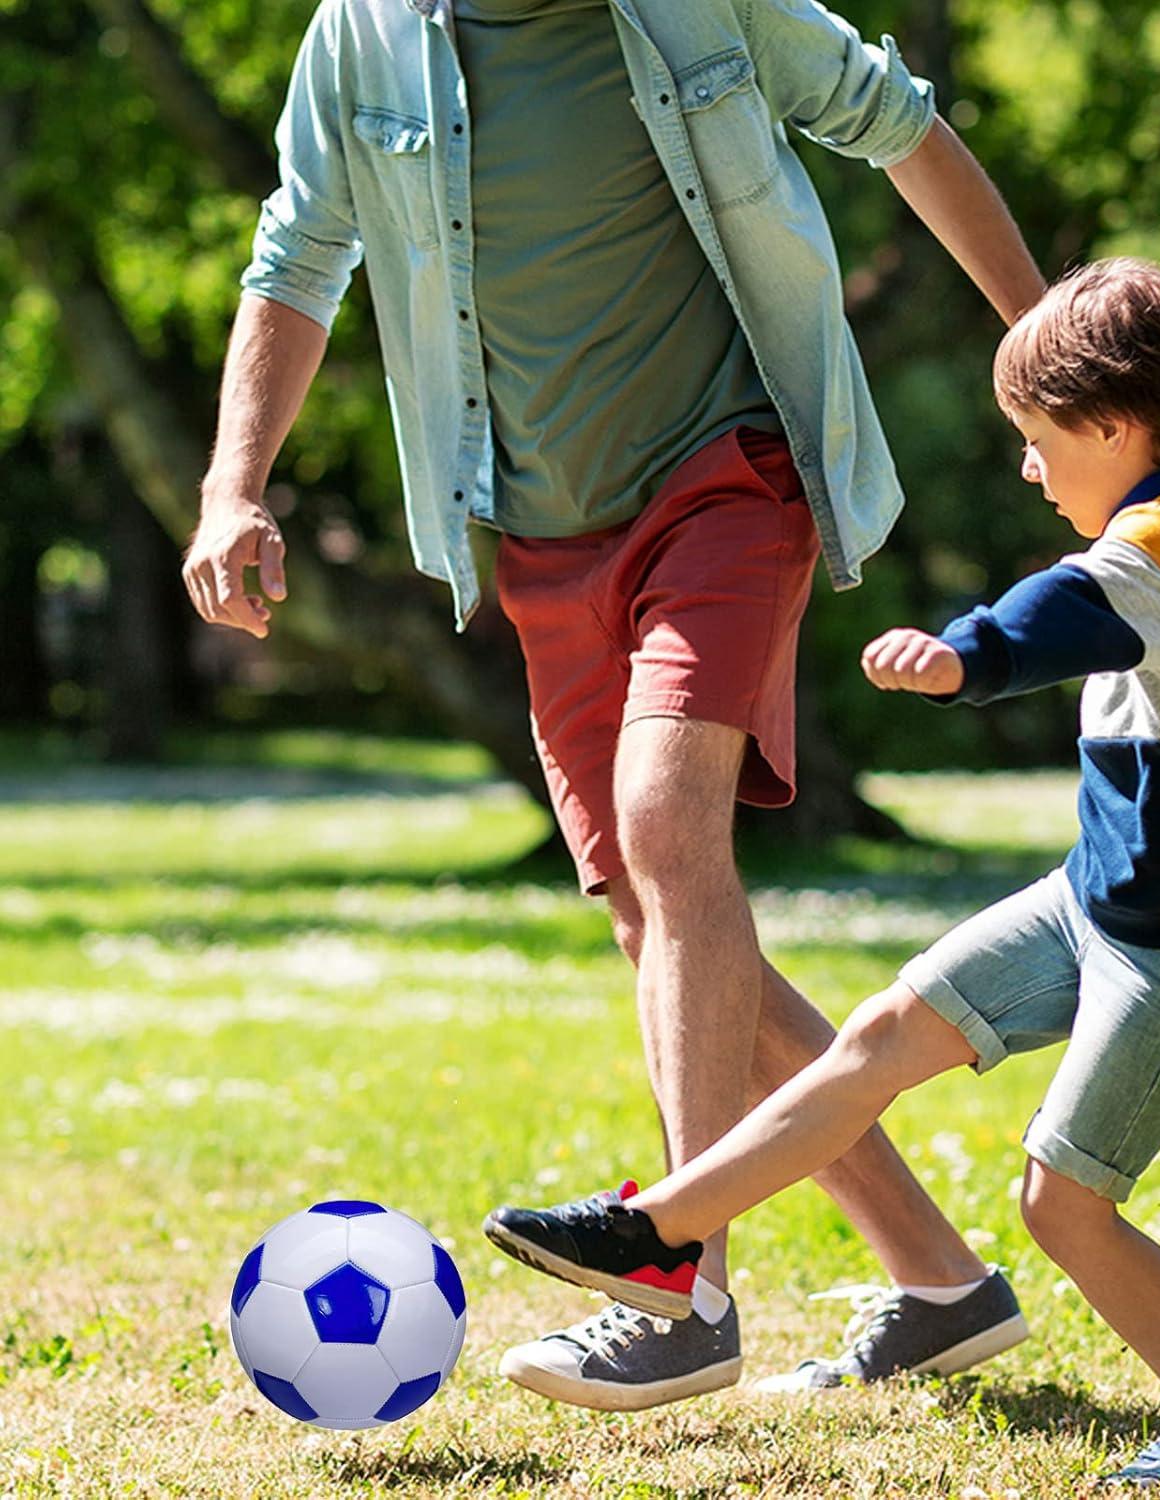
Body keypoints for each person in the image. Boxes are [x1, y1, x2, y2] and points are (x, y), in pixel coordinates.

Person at [181, 0, 1047, 1410]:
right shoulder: (363, 35)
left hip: (726, 470)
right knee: (665, 909)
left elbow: (903, 120)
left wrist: (1050, 366)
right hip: (530, 525)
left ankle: (678, 1280)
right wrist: (232, 482)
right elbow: (297, 252)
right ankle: (940, 1284)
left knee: (667, 828)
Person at [484, 258, 1160, 1483]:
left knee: (1063, 1205)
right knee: (879, 1035)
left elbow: (1065, 616)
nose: (1031, 470)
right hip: (1091, 904)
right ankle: (661, 1238)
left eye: (1040, 442)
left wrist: (962, 659)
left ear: (1115, 427)